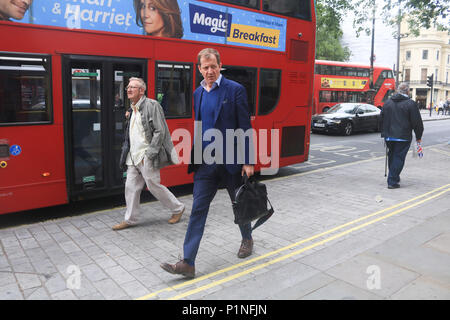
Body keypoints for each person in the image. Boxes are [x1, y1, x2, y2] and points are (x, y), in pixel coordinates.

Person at [160, 48, 255, 278]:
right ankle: (188, 262)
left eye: (213, 66)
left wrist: (248, 161)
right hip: (206, 162)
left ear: (220, 65)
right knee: (197, 210)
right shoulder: (197, 93)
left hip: (231, 161)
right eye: (205, 67)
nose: (210, 71)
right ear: (199, 69)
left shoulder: (235, 90)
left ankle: (247, 238)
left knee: (238, 204)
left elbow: (245, 127)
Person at [113, 77, 185, 230]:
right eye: (128, 87)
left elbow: (160, 131)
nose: (128, 89)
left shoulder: (152, 105)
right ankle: (130, 219)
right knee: (131, 187)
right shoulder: (132, 108)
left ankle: (178, 208)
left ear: (141, 91)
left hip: (146, 155)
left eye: (133, 87)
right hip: (133, 155)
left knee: (153, 185)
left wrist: (150, 154)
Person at [380, 82, 424, 189]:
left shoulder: (388, 103)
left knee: (392, 155)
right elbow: (417, 123)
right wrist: (418, 136)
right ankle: (392, 181)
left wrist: (384, 133)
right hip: (403, 136)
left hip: (389, 136)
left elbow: (381, 119)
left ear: (397, 91)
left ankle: (394, 175)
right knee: (398, 157)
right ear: (408, 91)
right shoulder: (411, 104)